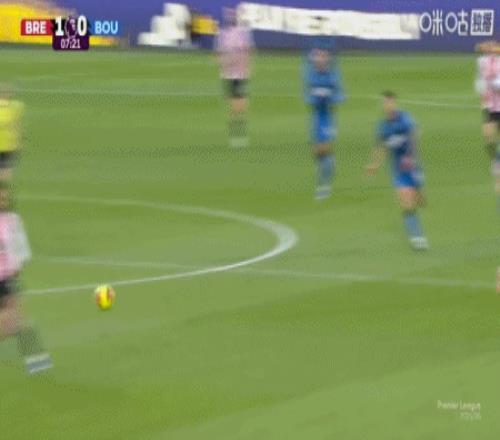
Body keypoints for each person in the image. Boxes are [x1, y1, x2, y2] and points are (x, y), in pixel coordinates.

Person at [365, 91, 428, 251]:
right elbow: (382, 147)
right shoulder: (383, 127)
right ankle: (417, 237)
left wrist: (412, 153)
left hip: (412, 166)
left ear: (395, 103)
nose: (388, 105)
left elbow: (415, 132)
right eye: (385, 103)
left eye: (390, 102)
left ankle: (419, 196)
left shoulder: (404, 119)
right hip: (398, 170)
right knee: (406, 202)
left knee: (419, 202)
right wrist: (374, 165)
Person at [0, 185, 52, 374]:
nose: (3, 201)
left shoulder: (12, 220)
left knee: (15, 320)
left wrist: (18, 264)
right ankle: (37, 360)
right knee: (12, 321)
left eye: (5, 198)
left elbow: (20, 247)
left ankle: (37, 361)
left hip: (8, 277)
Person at [303, 39, 344, 200]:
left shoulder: (332, 77)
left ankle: (323, 186)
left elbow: (341, 96)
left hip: (328, 118)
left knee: (324, 149)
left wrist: (329, 99)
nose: (319, 59)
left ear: (327, 59)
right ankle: (329, 162)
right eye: (317, 56)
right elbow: (307, 96)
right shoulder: (311, 76)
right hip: (316, 118)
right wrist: (313, 99)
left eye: (323, 56)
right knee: (316, 152)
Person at [215, 7, 254, 148]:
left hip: (239, 73)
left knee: (239, 101)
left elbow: (248, 50)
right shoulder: (224, 34)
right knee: (235, 101)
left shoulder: (241, 33)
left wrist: (246, 66)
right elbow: (220, 53)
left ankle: (238, 128)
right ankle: (236, 129)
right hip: (231, 74)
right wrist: (222, 66)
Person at [475, 40, 500, 193]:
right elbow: (480, 81)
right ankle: (495, 159)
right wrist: (482, 92)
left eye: (493, 47)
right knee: (488, 138)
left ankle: (497, 164)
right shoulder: (482, 62)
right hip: (489, 107)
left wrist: (493, 84)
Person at [0, 83, 24, 183]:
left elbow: (17, 126)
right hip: (9, 146)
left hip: (9, 146)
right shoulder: (16, 106)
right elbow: (17, 126)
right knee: (5, 174)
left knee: (5, 174)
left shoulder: (16, 106)